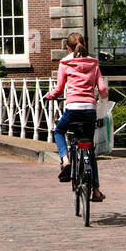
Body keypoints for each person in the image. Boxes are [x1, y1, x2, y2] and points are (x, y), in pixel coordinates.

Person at [43, 32, 106, 202]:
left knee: (59, 131)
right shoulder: (94, 63)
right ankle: (97, 191)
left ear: (69, 48)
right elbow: (102, 89)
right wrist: (102, 99)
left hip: (72, 109)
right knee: (90, 149)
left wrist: (50, 95)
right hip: (90, 110)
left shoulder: (65, 63)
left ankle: (65, 160)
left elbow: (59, 89)